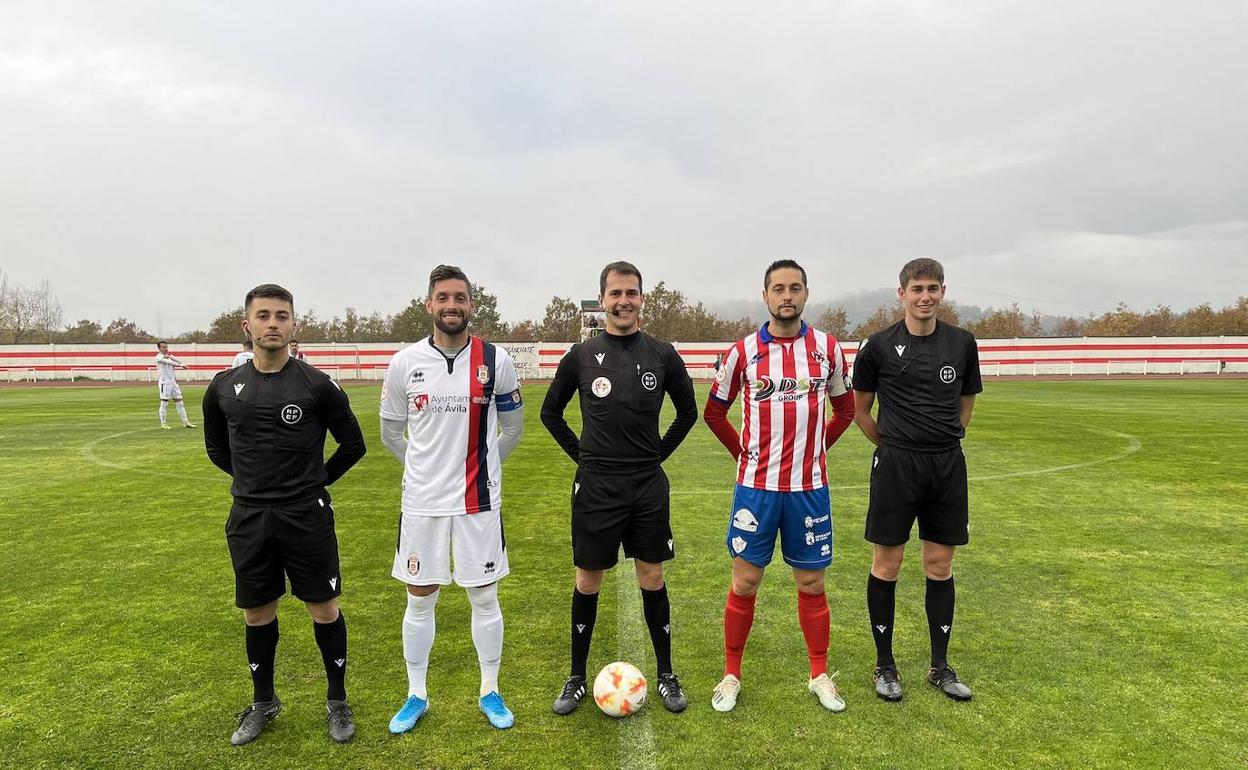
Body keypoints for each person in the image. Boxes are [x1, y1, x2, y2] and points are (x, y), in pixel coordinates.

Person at [202, 283, 367, 745]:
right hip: (250, 517)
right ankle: (263, 702)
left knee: (323, 607)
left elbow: (353, 445)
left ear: (294, 324)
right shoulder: (224, 388)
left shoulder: (316, 384)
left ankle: (337, 701)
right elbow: (216, 448)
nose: (272, 323)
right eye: (263, 315)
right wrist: (254, 483)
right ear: (247, 324)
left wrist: (315, 481)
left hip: (305, 515)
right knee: (257, 612)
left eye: (281, 315)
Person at [540, 261, 698, 715]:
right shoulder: (582, 356)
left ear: (641, 299)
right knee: (588, 580)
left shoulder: (662, 354)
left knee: (652, 576)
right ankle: (575, 678)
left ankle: (667, 674)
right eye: (615, 293)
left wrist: (657, 455)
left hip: (647, 485)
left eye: (631, 293)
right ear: (602, 300)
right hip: (596, 486)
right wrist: (584, 458)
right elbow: (551, 414)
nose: (623, 301)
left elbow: (687, 414)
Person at [703, 259, 855, 714]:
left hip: (809, 489)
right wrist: (744, 455)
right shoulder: (742, 352)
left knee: (811, 582)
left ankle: (819, 675)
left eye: (794, 288)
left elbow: (845, 411)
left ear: (806, 294)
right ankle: (731, 674)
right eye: (778, 288)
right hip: (757, 490)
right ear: (765, 296)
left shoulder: (828, 349)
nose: (786, 296)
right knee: (746, 581)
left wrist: (816, 450)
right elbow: (714, 412)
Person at [379, 265, 525, 733]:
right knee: (420, 597)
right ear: (429, 304)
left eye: (460, 298)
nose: (452, 305)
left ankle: (490, 690)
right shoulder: (405, 363)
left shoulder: (495, 360)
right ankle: (416, 694)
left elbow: (513, 430)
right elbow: (391, 433)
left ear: (471, 305)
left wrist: (483, 466)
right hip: (422, 503)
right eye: (443, 297)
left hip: (477, 501)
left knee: (484, 596)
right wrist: (425, 471)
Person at [851, 257, 982, 703]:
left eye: (933, 288)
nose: (925, 296)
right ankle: (884, 666)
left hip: (946, 466)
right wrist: (891, 446)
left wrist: (947, 437)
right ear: (901, 293)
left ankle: (940, 666)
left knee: (939, 566)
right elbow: (861, 412)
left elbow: (966, 403)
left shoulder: (963, 344)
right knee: (887, 564)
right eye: (917, 288)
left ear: (943, 292)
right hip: (896, 466)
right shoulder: (878, 346)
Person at [154, 341, 195, 429]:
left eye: (166, 347)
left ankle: (185, 422)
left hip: (173, 382)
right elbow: (170, 363)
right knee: (164, 403)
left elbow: (174, 359)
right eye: (163, 347)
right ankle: (163, 423)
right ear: (159, 348)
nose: (165, 348)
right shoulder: (158, 357)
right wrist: (180, 365)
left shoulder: (168, 356)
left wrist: (182, 364)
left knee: (180, 402)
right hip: (165, 383)